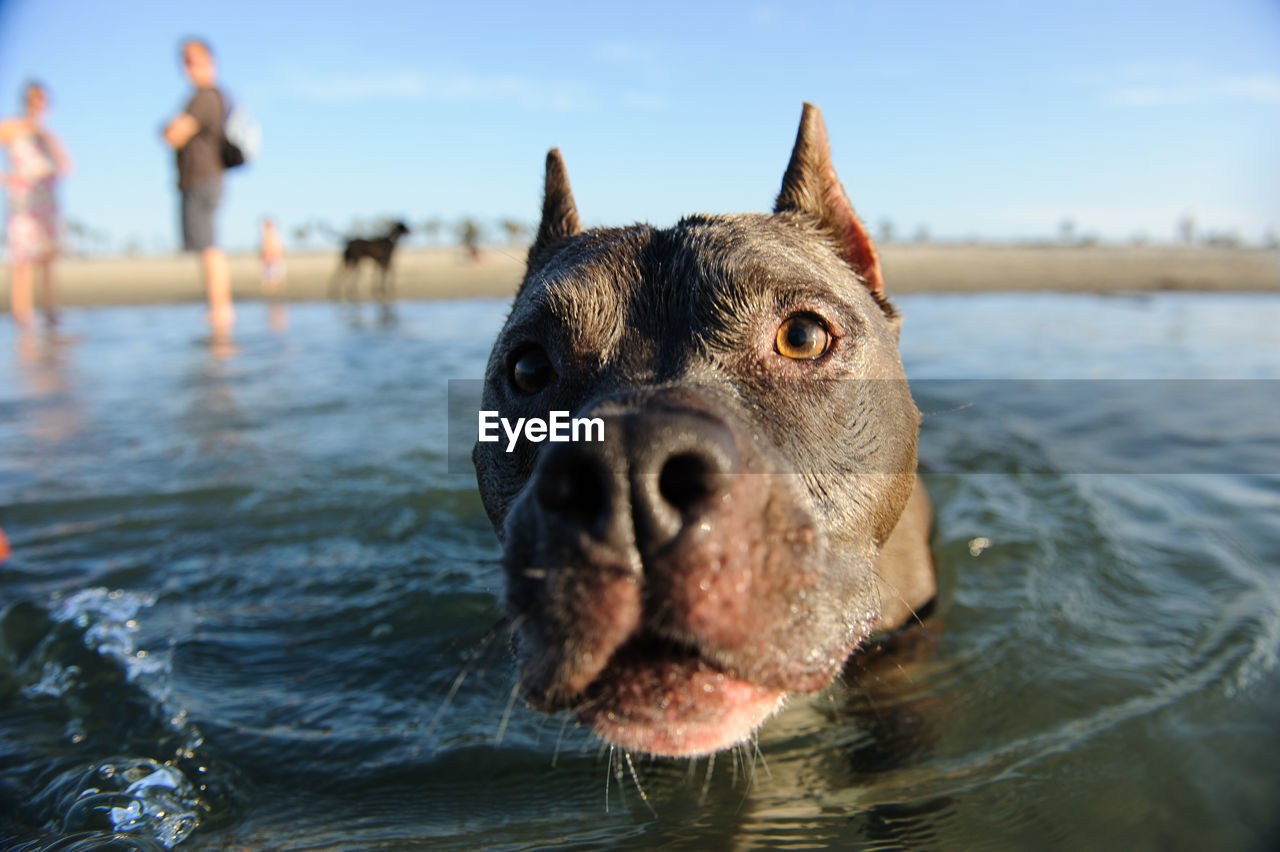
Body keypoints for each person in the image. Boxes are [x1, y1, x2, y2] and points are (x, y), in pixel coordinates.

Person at [162, 38, 233, 334]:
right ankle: (218, 310)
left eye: (195, 59)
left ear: (210, 61)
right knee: (205, 246)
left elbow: (173, 135)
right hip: (203, 178)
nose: (189, 66)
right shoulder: (207, 97)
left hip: (204, 178)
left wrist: (169, 128)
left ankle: (220, 312)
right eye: (185, 60)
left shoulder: (205, 97)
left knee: (208, 247)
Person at [1, 81, 72, 328]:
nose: (37, 106)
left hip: (47, 202)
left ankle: (51, 316)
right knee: (22, 261)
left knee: (47, 260)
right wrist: (6, 177)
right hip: (22, 201)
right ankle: (23, 319)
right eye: (33, 100)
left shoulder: (48, 135)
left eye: (42, 101)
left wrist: (49, 142)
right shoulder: (11, 128)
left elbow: (65, 167)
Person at [259, 216, 286, 297]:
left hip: (273, 256)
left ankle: (274, 290)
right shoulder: (267, 234)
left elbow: (277, 247)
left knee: (273, 273)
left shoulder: (273, 234)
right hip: (269, 256)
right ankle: (271, 290)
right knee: (268, 274)